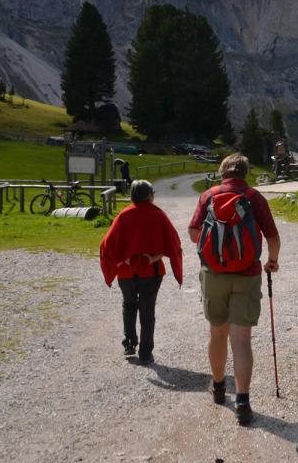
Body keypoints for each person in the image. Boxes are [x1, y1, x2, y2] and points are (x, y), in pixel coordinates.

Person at [188, 154, 280, 426]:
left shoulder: (208, 196)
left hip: (214, 275)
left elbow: (194, 232)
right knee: (241, 340)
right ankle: (242, 401)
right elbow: (273, 236)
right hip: (247, 275)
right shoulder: (254, 197)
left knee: (217, 333)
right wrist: (272, 262)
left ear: (222, 173)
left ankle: (218, 387)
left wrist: (214, 250)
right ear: (246, 173)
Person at [99, 180, 183, 365]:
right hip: (151, 272)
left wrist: (124, 259)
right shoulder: (158, 215)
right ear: (149, 195)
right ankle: (146, 353)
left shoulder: (123, 215)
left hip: (126, 273)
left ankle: (129, 343)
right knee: (147, 311)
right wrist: (153, 258)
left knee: (129, 305)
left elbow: (107, 245)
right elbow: (174, 243)